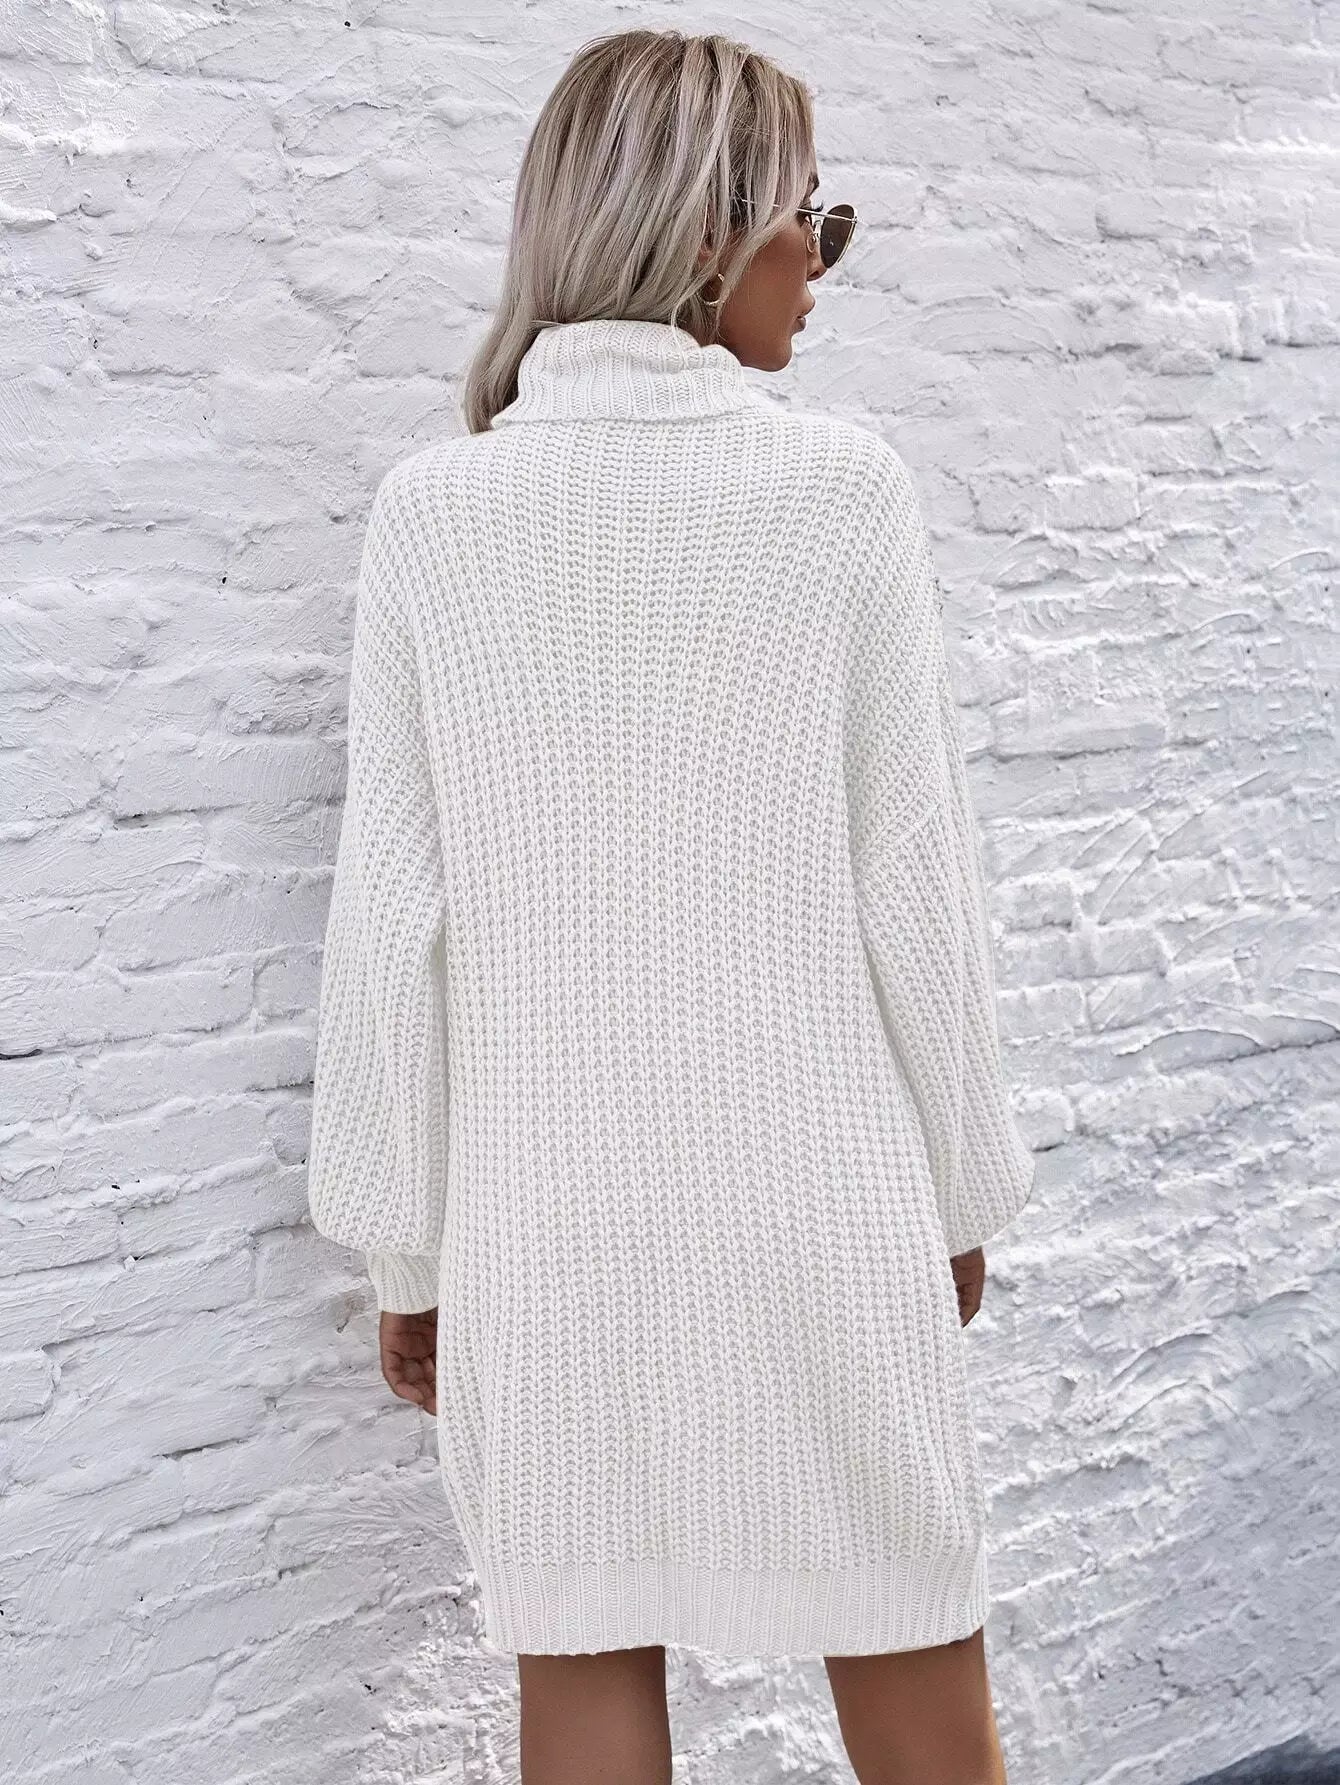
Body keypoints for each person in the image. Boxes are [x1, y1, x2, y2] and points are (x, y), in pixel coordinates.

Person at [306, 25, 1037, 1785]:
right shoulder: (840, 491)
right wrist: (959, 1192)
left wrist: (412, 1254)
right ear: (709, 239)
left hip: (541, 1225)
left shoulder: (434, 514)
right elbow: (915, 886)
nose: (823, 268)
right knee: (907, 1624)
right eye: (814, 222)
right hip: (823, 1202)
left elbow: (389, 925)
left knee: (581, 1657)